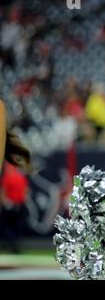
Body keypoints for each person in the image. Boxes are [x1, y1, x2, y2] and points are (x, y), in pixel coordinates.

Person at [0, 99, 32, 253]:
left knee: (10, 226)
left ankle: (12, 245)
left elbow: (6, 190)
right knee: (14, 227)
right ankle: (14, 245)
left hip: (12, 203)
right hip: (17, 203)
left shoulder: (11, 174)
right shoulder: (16, 174)